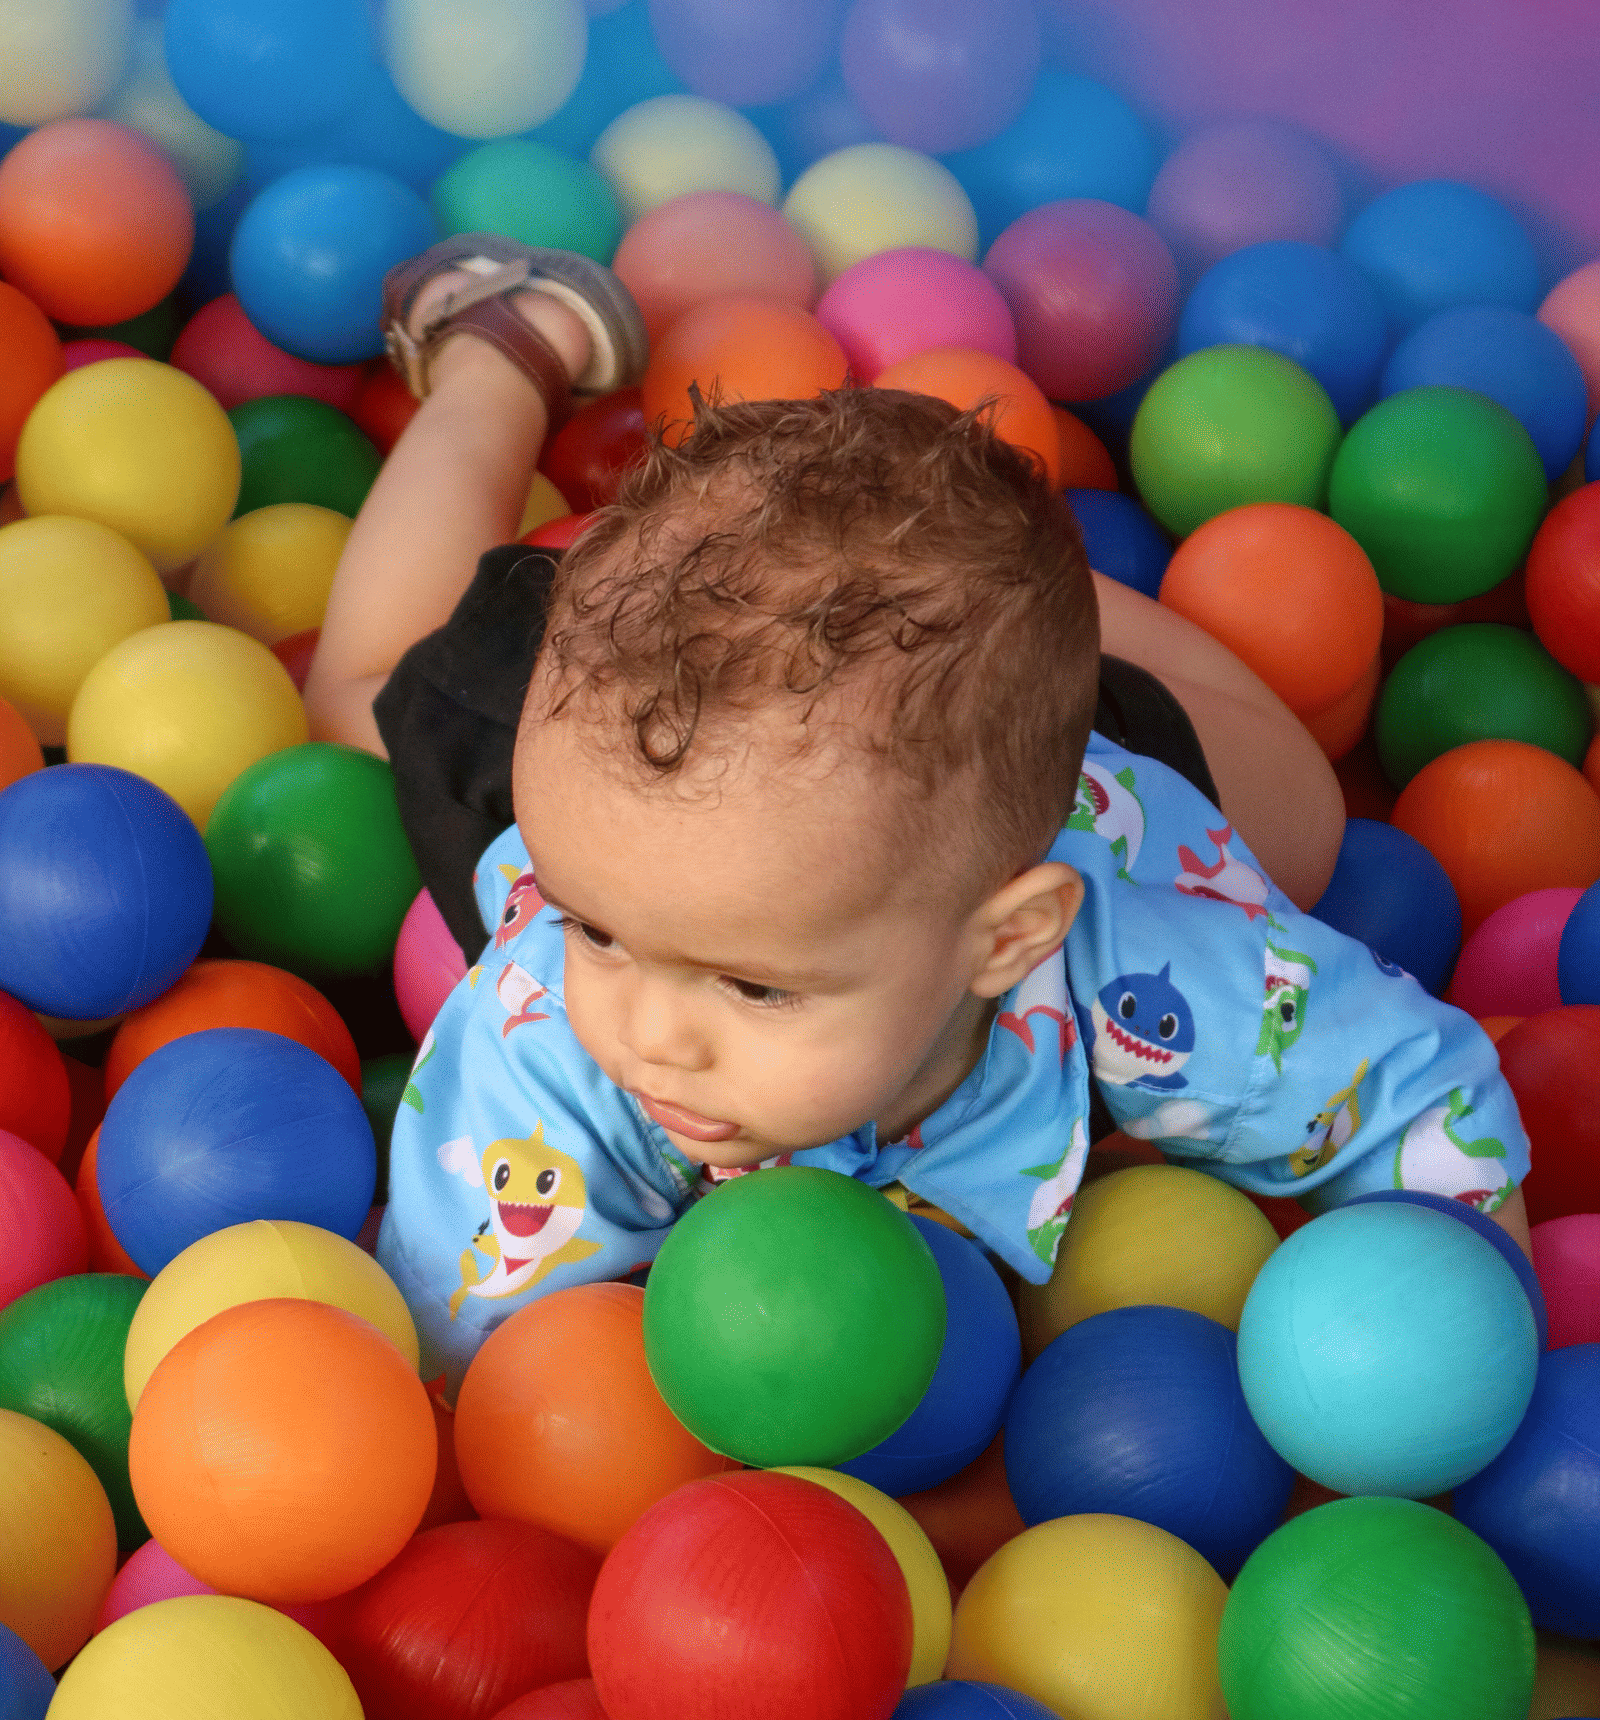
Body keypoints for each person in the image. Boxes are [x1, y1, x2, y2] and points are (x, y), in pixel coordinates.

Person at [306, 239, 1531, 1392]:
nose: (650, 1036)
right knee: (356, 696)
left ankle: (977, 593)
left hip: (1025, 762)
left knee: (1298, 820)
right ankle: (504, 349)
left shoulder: (1157, 970)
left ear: (1010, 939)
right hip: (629, 732)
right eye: (596, 934)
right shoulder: (551, 1062)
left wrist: (1455, 1374)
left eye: (755, 989)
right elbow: (477, 1369)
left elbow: (1424, 1103)